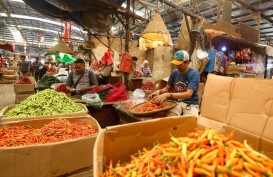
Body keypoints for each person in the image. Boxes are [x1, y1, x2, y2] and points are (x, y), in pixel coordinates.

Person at [150, 50, 200, 116]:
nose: (177, 66)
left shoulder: (194, 74)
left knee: (189, 122)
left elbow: (188, 94)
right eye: (176, 64)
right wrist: (159, 91)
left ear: (187, 62)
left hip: (190, 103)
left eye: (180, 64)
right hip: (177, 102)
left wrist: (168, 95)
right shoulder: (175, 72)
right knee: (170, 119)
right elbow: (166, 88)